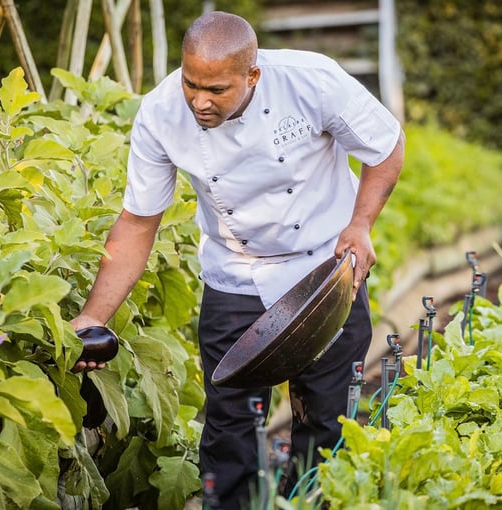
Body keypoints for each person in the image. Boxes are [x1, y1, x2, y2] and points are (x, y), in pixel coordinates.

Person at [71, 10, 405, 509]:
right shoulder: (162, 112)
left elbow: (385, 146)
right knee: (230, 426)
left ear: (253, 75)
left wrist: (359, 226)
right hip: (237, 271)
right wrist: (93, 317)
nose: (199, 101)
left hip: (325, 269)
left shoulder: (311, 81)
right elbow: (139, 222)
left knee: (327, 417)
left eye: (217, 90)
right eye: (191, 83)